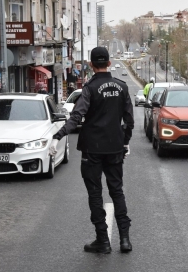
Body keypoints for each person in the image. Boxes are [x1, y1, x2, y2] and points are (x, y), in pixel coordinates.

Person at [50, 47, 134, 254]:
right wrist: (125, 141)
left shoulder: (89, 88)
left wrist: (57, 136)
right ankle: (125, 240)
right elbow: (129, 120)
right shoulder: (122, 87)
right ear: (109, 61)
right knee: (117, 191)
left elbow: (76, 117)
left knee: (95, 194)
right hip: (115, 147)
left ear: (91, 64)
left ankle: (103, 240)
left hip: (92, 149)